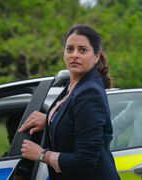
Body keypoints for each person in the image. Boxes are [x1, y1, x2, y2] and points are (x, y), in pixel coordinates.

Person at [18, 25, 120, 180]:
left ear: (96, 56)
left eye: (83, 50)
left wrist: (41, 154)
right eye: (69, 49)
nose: (75, 55)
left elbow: (84, 162)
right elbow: (74, 119)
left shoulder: (89, 92)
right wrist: (50, 119)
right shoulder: (74, 85)